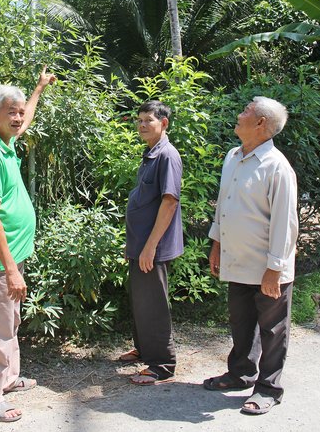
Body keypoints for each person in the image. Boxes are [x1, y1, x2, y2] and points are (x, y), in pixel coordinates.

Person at [0, 66, 56, 423]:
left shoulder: (4, 142)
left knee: (9, 322)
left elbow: (26, 118)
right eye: (11, 112)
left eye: (20, 112)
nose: (19, 118)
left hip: (12, 256)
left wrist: (38, 89)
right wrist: (9, 270)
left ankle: (8, 378)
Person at [204, 96, 298, 415]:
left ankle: (269, 388)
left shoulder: (277, 167)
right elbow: (224, 205)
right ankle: (240, 373)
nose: (239, 114)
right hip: (238, 260)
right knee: (242, 323)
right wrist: (216, 244)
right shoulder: (233, 156)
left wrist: (275, 269)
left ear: (260, 123)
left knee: (272, 330)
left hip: (267, 266)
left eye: (245, 110)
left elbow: (286, 223)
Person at [119, 100, 184, 385]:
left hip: (152, 247)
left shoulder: (167, 155)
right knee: (141, 300)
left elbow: (169, 202)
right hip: (141, 244)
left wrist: (150, 246)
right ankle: (146, 350)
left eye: (149, 120)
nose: (142, 125)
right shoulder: (151, 154)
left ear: (164, 123)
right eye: (139, 120)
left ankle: (162, 365)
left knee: (154, 303)